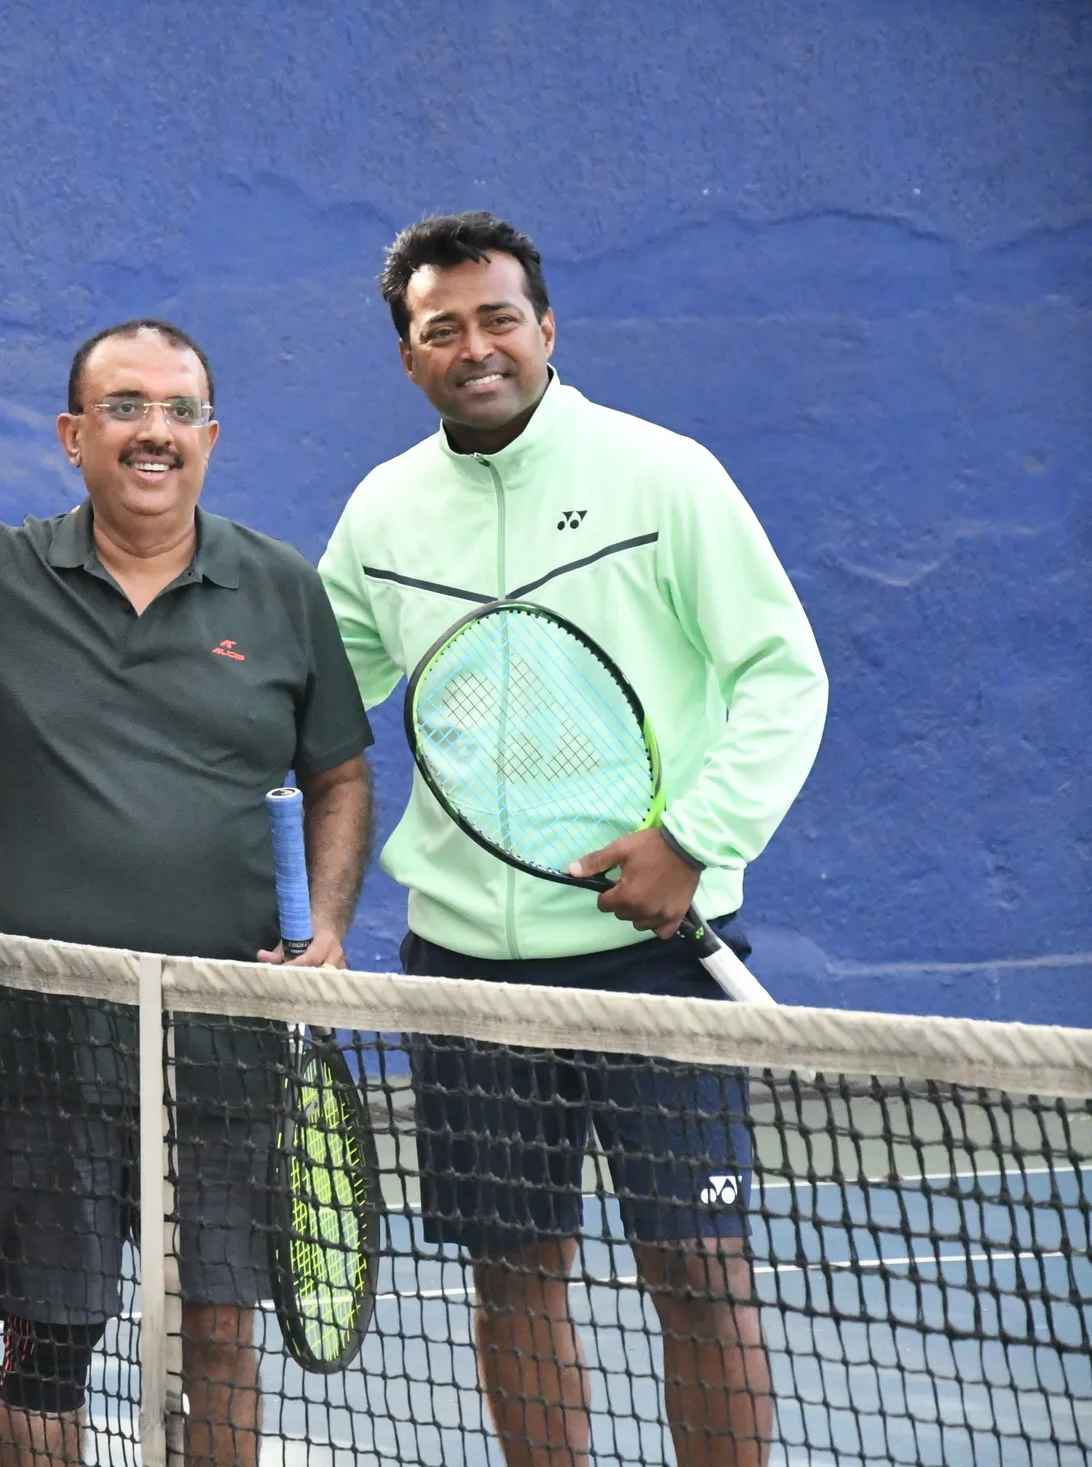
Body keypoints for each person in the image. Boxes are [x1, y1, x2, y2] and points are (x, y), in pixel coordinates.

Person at [318, 211, 828, 1467]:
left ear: (547, 329)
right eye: (442, 329)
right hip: (465, 973)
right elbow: (311, 693)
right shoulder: (384, 513)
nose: (474, 347)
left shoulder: (664, 476)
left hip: (654, 960)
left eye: (498, 319)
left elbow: (782, 673)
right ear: (408, 357)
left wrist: (693, 838)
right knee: (512, 1278)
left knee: (702, 1277)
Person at [0, 320, 375, 1467]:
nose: (152, 432)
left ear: (210, 436)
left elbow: (341, 775)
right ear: (74, 436)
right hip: (40, 1033)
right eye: (124, 408)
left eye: (177, 411)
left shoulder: (280, 587)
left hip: (226, 1035)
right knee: (45, 1344)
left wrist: (324, 924)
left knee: (216, 1325)